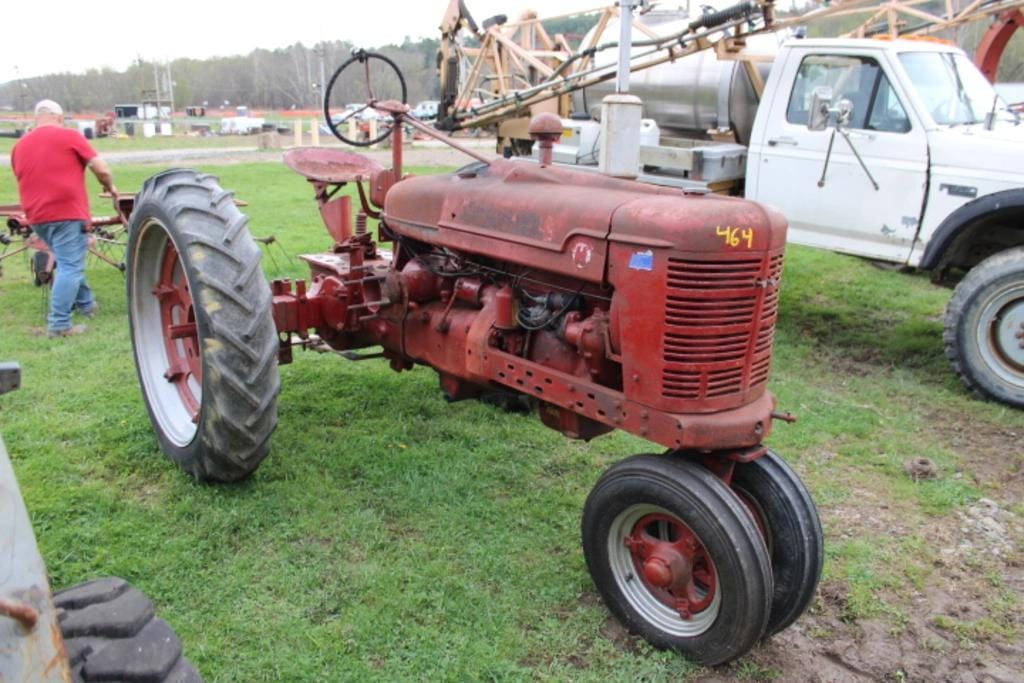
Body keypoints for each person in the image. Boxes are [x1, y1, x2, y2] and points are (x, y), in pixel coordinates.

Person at [11, 99, 117, 338]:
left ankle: (87, 304)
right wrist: (110, 188)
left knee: (68, 258)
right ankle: (59, 325)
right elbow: (102, 169)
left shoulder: (19, 146)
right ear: (59, 117)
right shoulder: (69, 136)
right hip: (66, 212)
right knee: (70, 266)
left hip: (37, 215)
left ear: (37, 118)